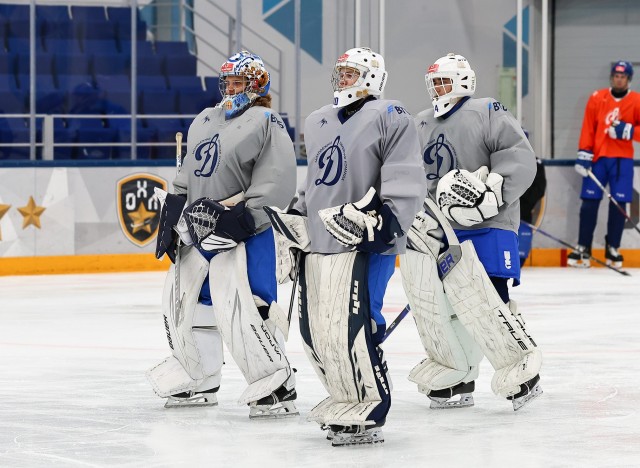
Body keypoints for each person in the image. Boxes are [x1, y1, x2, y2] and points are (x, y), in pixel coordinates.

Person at [285, 47, 426, 446]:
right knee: (316, 331)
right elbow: (315, 178)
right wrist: (298, 213)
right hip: (320, 240)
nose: (343, 80)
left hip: (368, 239)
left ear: (371, 77)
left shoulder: (391, 115)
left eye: (351, 74)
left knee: (357, 325)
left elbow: (404, 171)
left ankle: (370, 403)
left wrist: (391, 218)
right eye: (341, 74)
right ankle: (343, 396)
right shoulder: (318, 120)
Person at [147, 50, 299, 419]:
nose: (231, 88)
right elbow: (188, 174)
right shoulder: (205, 118)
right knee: (193, 307)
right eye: (227, 81)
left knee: (253, 305)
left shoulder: (266, 121)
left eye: (238, 81)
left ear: (257, 84)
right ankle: (200, 378)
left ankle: (276, 382)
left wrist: (245, 218)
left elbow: (277, 178)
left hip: (247, 231)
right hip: (199, 230)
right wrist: (172, 213)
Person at [402, 52, 542, 412]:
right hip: (443, 232)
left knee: (489, 301)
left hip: (488, 226)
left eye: (444, 82)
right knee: (447, 307)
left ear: (464, 82)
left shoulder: (488, 110)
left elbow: (519, 155)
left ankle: (521, 373)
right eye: (434, 83)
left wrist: (496, 192)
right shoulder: (420, 123)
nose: (437, 89)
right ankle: (459, 375)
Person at [569, 60, 640, 268]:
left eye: (623, 76)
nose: (619, 79)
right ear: (612, 77)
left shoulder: (636, 101)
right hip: (598, 160)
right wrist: (583, 153)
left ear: (628, 79)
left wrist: (628, 131)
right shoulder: (597, 98)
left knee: (618, 206)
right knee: (589, 204)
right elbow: (588, 128)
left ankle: (613, 248)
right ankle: (583, 246)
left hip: (622, 161)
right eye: (616, 76)